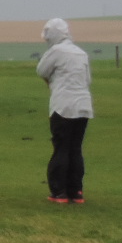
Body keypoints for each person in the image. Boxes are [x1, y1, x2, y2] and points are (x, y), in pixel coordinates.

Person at [36, 18, 93, 204]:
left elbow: (41, 70)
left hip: (63, 105)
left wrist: (53, 83)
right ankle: (76, 192)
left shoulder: (56, 51)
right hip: (84, 105)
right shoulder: (80, 53)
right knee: (75, 148)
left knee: (61, 147)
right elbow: (87, 79)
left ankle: (58, 192)